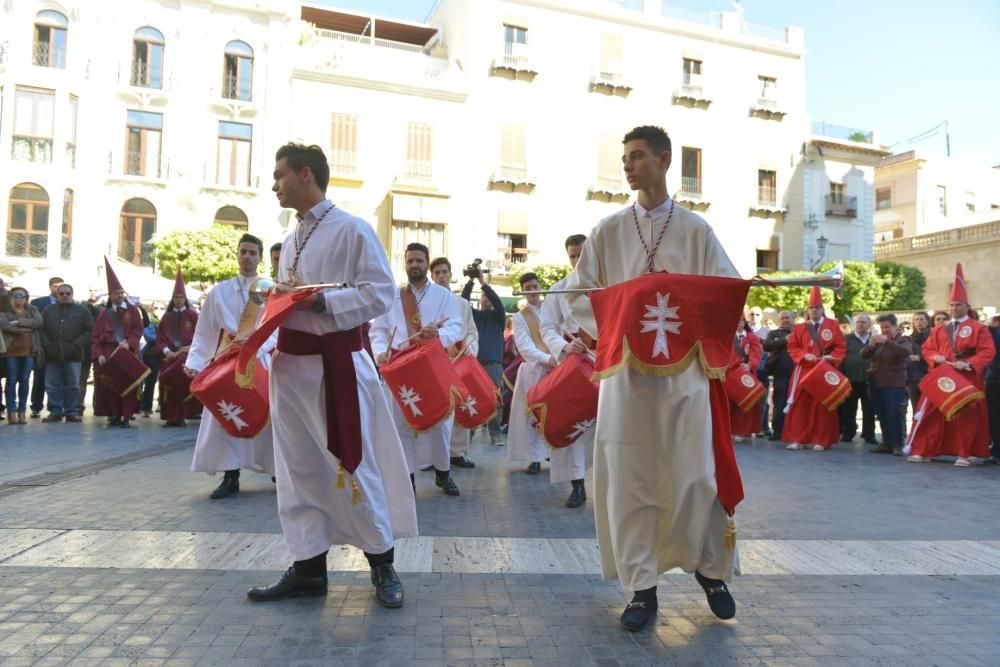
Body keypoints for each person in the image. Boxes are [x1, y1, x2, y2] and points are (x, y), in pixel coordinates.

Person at [565, 125, 739, 631]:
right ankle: (642, 589)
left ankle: (710, 570)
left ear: (664, 161)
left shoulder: (696, 230)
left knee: (697, 473)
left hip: (685, 375)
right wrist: (619, 317)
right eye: (624, 157)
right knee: (631, 480)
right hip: (626, 378)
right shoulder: (607, 230)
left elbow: (723, 291)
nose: (628, 165)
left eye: (637, 156)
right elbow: (579, 295)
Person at [248, 143, 416, 608]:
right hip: (291, 368)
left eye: (280, 174)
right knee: (298, 469)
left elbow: (380, 292)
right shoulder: (293, 237)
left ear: (306, 175)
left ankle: (382, 564)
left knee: (352, 464)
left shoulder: (353, 229)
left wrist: (319, 302)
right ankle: (307, 568)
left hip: (336, 365)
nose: (274, 184)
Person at [185, 234, 276, 499]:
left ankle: (276, 471)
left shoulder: (269, 290)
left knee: (268, 415)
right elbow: (205, 330)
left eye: (252, 253)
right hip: (227, 362)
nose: (247, 257)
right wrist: (196, 362)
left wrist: (257, 344)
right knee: (225, 414)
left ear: (260, 258)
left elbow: (279, 327)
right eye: (243, 252)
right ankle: (230, 474)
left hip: (259, 358)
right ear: (237, 254)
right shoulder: (219, 292)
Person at [370, 242, 463, 496]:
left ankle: (443, 474)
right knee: (402, 424)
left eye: (419, 261)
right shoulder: (393, 297)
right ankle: (407, 479)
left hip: (432, 368)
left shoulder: (444, 296)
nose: (414, 265)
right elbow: (378, 331)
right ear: (405, 264)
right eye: (410, 261)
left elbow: (456, 327)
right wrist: (381, 351)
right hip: (400, 369)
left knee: (441, 424)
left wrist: (438, 335)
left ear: (426, 263)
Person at [907, 264, 995, 466]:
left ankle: (964, 452)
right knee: (931, 412)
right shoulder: (939, 329)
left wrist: (969, 363)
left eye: (958, 305)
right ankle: (924, 449)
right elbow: (927, 349)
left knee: (966, 415)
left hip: (967, 376)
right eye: (952, 305)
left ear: (966, 306)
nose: (954, 308)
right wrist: (934, 357)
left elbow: (988, 351)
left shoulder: (978, 328)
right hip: (942, 376)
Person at [539, 234, 594, 508]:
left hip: (604, 361)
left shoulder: (606, 285)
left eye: (581, 254)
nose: (577, 260)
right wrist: (565, 347)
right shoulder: (559, 289)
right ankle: (577, 484)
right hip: (573, 363)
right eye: (572, 255)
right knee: (574, 421)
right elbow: (547, 326)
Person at [782, 287, 847, 451]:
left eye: (817, 308)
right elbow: (792, 347)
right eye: (811, 308)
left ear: (822, 309)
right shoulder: (800, 327)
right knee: (800, 405)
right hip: (803, 370)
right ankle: (798, 439)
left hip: (823, 370)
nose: (814, 311)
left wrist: (830, 357)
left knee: (822, 405)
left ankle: (820, 440)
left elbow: (840, 346)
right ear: (808, 310)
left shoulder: (832, 325)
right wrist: (804, 355)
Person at [430, 256, 478, 469]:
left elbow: (471, 331)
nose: (441, 276)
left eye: (444, 272)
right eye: (437, 273)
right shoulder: (426, 302)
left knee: (459, 405)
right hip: (432, 363)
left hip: (457, 360)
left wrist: (469, 346)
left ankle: (457, 452)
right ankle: (431, 457)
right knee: (436, 408)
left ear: (450, 275)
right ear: (432, 276)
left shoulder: (463, 304)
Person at [507, 272, 556, 475]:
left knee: (554, 413)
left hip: (556, 369)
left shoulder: (551, 310)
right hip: (534, 371)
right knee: (531, 415)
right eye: (527, 288)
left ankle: (552, 451)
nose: (532, 290)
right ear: (523, 292)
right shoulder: (519, 318)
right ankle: (534, 457)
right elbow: (524, 347)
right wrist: (547, 359)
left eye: (535, 286)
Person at [91, 260, 144, 427]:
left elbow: (138, 329)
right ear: (110, 296)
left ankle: (127, 416)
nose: (120, 296)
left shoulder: (133, 311)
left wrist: (130, 343)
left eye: (121, 293)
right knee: (112, 386)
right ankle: (114, 415)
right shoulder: (103, 314)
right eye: (116, 293)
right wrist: (99, 355)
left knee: (128, 384)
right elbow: (95, 337)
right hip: (109, 353)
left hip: (128, 352)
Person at [461, 266, 506, 445]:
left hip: (493, 365)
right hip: (474, 364)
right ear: (479, 300)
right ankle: (469, 434)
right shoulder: (474, 316)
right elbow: (463, 301)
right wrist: (470, 281)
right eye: (484, 297)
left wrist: (482, 281)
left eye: (489, 298)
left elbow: (497, 301)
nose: (487, 300)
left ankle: (495, 435)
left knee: (493, 399)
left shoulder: (499, 317)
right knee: (471, 399)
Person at [40, 283, 93, 423]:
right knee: (52, 384)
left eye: (67, 293)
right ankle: (55, 411)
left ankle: (71, 412)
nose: (64, 296)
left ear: (72, 294)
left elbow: (89, 331)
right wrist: (46, 345)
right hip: (52, 354)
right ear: (57, 295)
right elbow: (41, 329)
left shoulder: (82, 310)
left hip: (74, 354)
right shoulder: (48, 310)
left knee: (73, 385)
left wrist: (76, 344)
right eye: (61, 293)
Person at [861, 314, 911, 456]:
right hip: (876, 382)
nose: (884, 330)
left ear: (895, 326)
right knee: (881, 414)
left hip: (894, 383)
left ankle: (896, 444)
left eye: (887, 327)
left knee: (893, 414)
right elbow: (863, 355)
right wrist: (870, 345)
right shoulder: (878, 341)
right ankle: (886, 442)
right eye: (882, 327)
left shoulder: (903, 340)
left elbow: (905, 352)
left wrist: (887, 342)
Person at [157, 270, 199, 427]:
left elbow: (200, 336)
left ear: (185, 299)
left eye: (181, 297)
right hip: (170, 358)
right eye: (176, 297)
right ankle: (169, 416)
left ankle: (181, 416)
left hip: (186, 357)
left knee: (182, 385)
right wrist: (168, 352)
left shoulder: (192, 316)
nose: (179, 300)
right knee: (169, 388)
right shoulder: (166, 318)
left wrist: (188, 349)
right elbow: (160, 339)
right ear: (172, 299)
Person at [0, 287, 43, 425]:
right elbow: (5, 326)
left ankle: (22, 412)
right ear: (11, 297)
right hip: (10, 351)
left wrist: (19, 323)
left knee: (24, 380)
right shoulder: (5, 311)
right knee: (11, 380)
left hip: (29, 350)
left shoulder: (32, 309)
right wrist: (25, 329)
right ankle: (11, 412)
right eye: (17, 295)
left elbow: (38, 322)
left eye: (23, 295)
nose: (20, 298)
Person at [839, 314, 877, 445]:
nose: (860, 324)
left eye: (863, 322)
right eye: (858, 322)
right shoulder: (846, 339)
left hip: (869, 380)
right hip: (851, 379)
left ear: (869, 324)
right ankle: (848, 433)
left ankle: (869, 434)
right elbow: (841, 358)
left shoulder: (875, 339)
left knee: (869, 409)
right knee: (849, 408)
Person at [28, 276, 63, 418]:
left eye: (61, 286)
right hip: (42, 346)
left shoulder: (68, 302)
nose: (58, 289)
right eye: (55, 286)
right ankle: (36, 406)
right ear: (50, 287)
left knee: (58, 379)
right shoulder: (38, 303)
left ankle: (55, 407)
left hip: (61, 347)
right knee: (39, 377)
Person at [762, 310, 795, 441]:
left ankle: (793, 431)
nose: (785, 320)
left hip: (797, 375)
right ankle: (778, 431)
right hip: (780, 374)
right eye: (782, 318)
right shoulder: (774, 333)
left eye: (787, 317)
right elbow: (766, 346)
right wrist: (784, 340)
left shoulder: (799, 332)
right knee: (779, 402)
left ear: (793, 318)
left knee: (795, 403)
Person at [730, 317, 762, 441]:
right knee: (729, 404)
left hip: (746, 374)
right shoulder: (728, 336)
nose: (739, 323)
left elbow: (756, 353)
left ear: (745, 322)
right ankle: (729, 430)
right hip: (730, 373)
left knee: (744, 403)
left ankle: (741, 431)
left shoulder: (752, 337)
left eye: (741, 320)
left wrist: (749, 365)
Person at [78, 291, 103, 415]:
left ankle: (98, 406)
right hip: (86, 349)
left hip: (100, 349)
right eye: (92, 290)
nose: (94, 293)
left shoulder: (106, 307)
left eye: (97, 290)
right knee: (82, 379)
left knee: (100, 380)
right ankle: (79, 406)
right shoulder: (81, 306)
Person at [904, 311, 932, 417]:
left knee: (928, 410)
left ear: (927, 322)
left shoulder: (932, 337)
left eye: (921, 319)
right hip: (912, 378)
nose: (918, 322)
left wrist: (920, 358)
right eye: (916, 320)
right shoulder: (908, 338)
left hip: (928, 376)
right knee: (916, 411)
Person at [139, 304, 161, 417]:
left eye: (162, 308)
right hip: (151, 354)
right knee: (150, 382)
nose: (159, 310)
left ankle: (163, 405)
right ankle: (145, 407)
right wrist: (163, 338)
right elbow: (149, 336)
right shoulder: (151, 322)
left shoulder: (169, 320)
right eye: (157, 308)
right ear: (153, 310)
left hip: (166, 353)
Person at [986, 315, 1000, 463]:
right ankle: (996, 450)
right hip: (994, 379)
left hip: (994, 378)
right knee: (994, 417)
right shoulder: (994, 332)